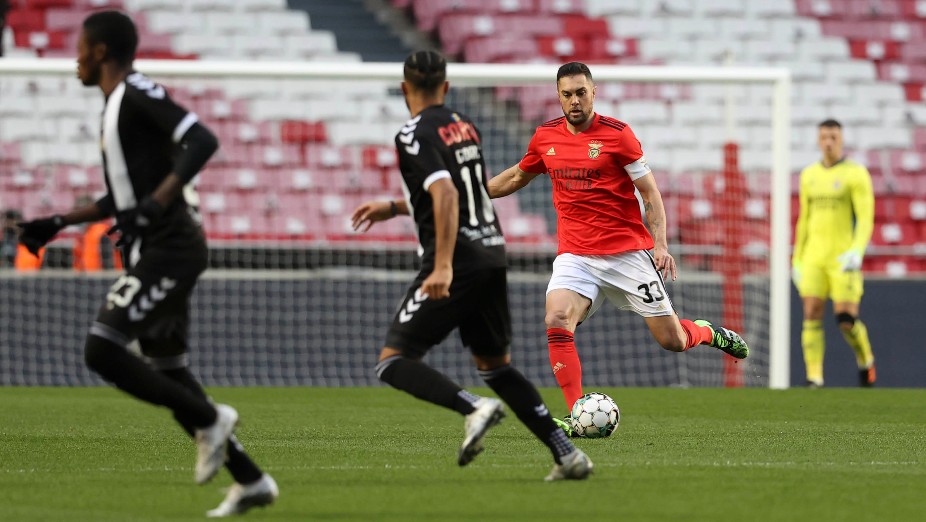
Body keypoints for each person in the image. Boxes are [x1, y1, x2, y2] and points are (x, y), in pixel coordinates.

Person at [15, 11, 277, 516]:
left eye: (81, 48)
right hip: (153, 247)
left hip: (171, 246)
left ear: (101, 51)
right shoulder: (114, 107)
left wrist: (157, 203)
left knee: (102, 349)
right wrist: (57, 221)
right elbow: (120, 196)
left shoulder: (134, 91)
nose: (75, 58)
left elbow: (201, 139)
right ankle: (251, 481)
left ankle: (210, 418)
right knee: (169, 370)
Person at [350, 50, 591, 479]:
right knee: (496, 367)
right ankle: (567, 455)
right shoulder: (465, 126)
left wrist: (442, 266)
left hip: (457, 260)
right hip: (492, 254)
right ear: (445, 87)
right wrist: (394, 206)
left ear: (406, 89)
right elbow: (465, 191)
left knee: (394, 360)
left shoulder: (411, 134)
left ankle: (473, 408)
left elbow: (445, 195)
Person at [485, 62, 749, 431]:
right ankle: (577, 412)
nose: (574, 101)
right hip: (575, 255)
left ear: (593, 92)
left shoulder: (618, 135)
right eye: (566, 94)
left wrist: (660, 244)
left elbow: (650, 194)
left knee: (672, 340)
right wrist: (472, 194)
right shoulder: (545, 137)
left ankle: (706, 332)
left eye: (581, 92)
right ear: (557, 96)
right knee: (556, 318)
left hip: (626, 254)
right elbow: (516, 176)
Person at [792, 119, 875, 388]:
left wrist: (856, 251)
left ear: (841, 139)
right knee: (812, 313)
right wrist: (797, 258)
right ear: (818, 140)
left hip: (842, 258)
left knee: (845, 320)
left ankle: (866, 360)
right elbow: (804, 218)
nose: (828, 141)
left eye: (833, 137)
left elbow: (865, 217)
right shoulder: (809, 175)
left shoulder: (856, 173)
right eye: (824, 137)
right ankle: (814, 377)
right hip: (814, 257)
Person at [72, 196, 123, 271]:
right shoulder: (86, 234)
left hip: (102, 279)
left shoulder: (100, 232)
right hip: (90, 279)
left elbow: (109, 263)